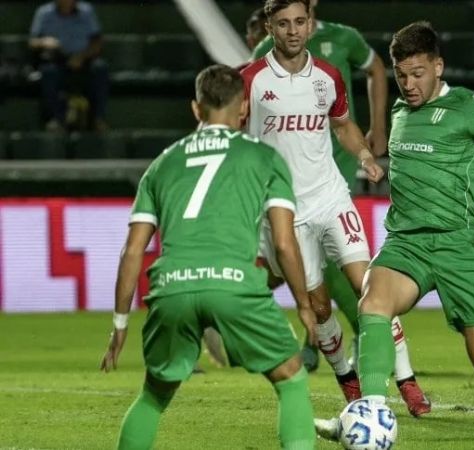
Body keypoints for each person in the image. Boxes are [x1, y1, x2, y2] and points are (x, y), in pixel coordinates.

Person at [317, 21, 474, 442]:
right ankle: (368, 414)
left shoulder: (466, 107)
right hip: (407, 242)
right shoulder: (400, 111)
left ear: (438, 67)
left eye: (418, 73)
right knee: (372, 303)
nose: (408, 84)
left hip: (460, 246)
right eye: (401, 75)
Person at [100, 64, 316, 450]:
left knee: (154, 394)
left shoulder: (161, 164)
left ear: (196, 110)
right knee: (291, 377)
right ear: (244, 108)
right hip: (233, 283)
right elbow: (284, 243)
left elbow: (132, 250)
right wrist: (304, 304)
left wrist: (119, 323)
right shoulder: (265, 158)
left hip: (171, 289)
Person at [241, 0, 430, 416]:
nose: (293, 31)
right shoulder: (252, 80)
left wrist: (363, 154)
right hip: (284, 213)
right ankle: (346, 376)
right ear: (270, 27)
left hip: (330, 195)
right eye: (283, 23)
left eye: (300, 22)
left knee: (370, 286)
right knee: (320, 306)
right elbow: (234, 136)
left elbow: (342, 124)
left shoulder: (327, 76)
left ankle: (407, 379)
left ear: (311, 25)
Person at [29, 0, 108, 131]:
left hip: (83, 60)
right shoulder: (44, 13)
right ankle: (57, 119)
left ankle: (98, 119)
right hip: (56, 60)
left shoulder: (87, 11)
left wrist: (81, 57)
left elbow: (97, 42)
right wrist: (44, 41)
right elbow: (32, 42)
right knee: (48, 72)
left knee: (100, 68)